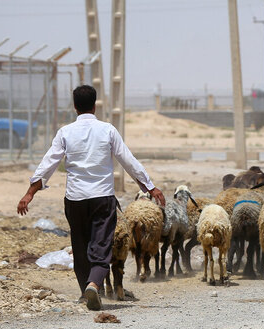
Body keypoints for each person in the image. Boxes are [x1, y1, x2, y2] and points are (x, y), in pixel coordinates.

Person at [17, 85, 165, 311]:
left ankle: (84, 291)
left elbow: (49, 163)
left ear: (75, 106)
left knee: (80, 245)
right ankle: (94, 285)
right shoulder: (107, 130)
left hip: (75, 199)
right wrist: (150, 187)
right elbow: (128, 160)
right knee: (102, 246)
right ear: (95, 105)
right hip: (102, 198)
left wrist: (30, 193)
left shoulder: (65, 132)